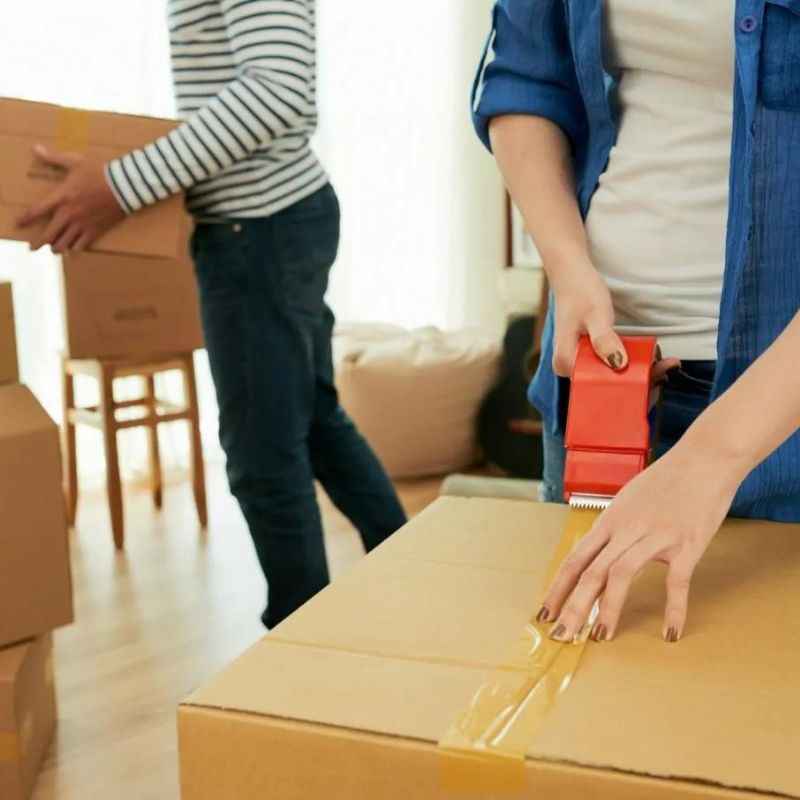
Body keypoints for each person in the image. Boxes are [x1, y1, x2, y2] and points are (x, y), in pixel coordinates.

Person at [18, 0, 407, 629]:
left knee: (263, 457)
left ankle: (300, 647)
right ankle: (418, 584)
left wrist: (120, 185)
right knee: (312, 421)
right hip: (272, 223)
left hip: (259, 231)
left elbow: (276, 88)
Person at [472, 1, 800, 642]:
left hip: (781, 409)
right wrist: (568, 268)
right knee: (585, 683)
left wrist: (708, 459)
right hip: (603, 382)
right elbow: (524, 82)